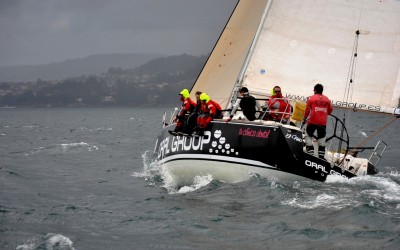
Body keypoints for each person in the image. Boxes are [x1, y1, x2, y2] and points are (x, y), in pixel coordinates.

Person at [303, 83, 333, 158]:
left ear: (315, 90)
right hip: (323, 123)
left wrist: (304, 118)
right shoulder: (327, 99)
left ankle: (310, 152)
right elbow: (330, 111)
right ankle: (321, 157)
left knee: (308, 136)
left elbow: (307, 110)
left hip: (312, 121)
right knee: (322, 139)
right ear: (322, 90)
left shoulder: (311, 98)